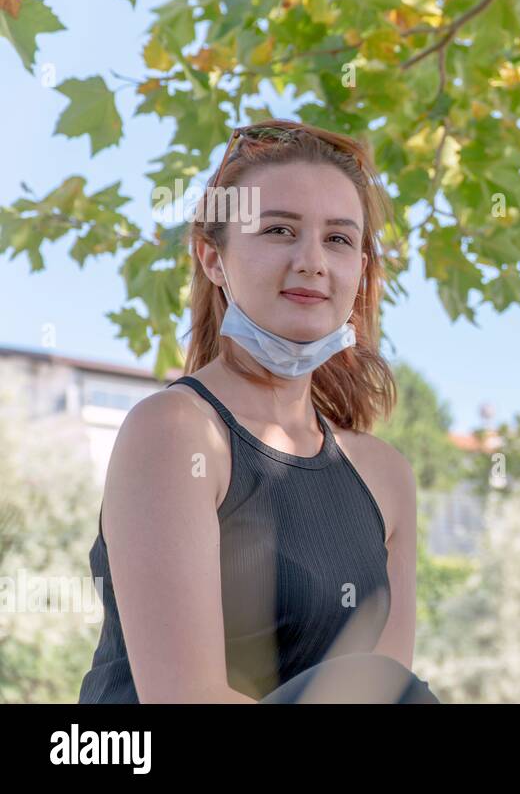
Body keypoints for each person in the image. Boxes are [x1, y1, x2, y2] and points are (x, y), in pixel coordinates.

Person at [79, 120, 437, 703]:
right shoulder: (175, 434)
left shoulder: (386, 477)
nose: (312, 261)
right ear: (212, 258)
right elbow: (185, 700)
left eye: (340, 240)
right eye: (278, 230)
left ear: (362, 273)